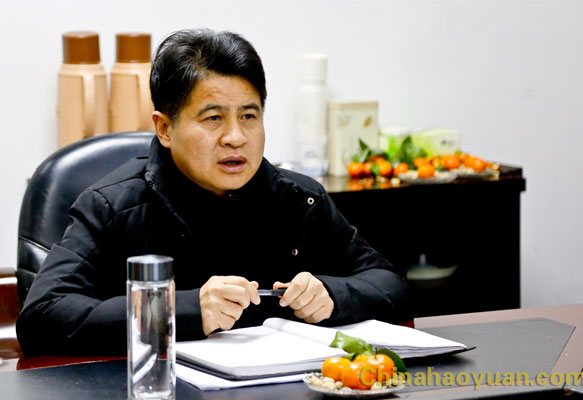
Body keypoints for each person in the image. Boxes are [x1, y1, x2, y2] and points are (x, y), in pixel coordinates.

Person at [16, 28, 412, 356]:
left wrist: (333, 294)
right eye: (213, 118)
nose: (235, 137)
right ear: (164, 128)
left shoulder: (299, 198)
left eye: (249, 116)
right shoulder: (112, 206)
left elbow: (390, 283)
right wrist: (179, 310)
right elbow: (42, 317)